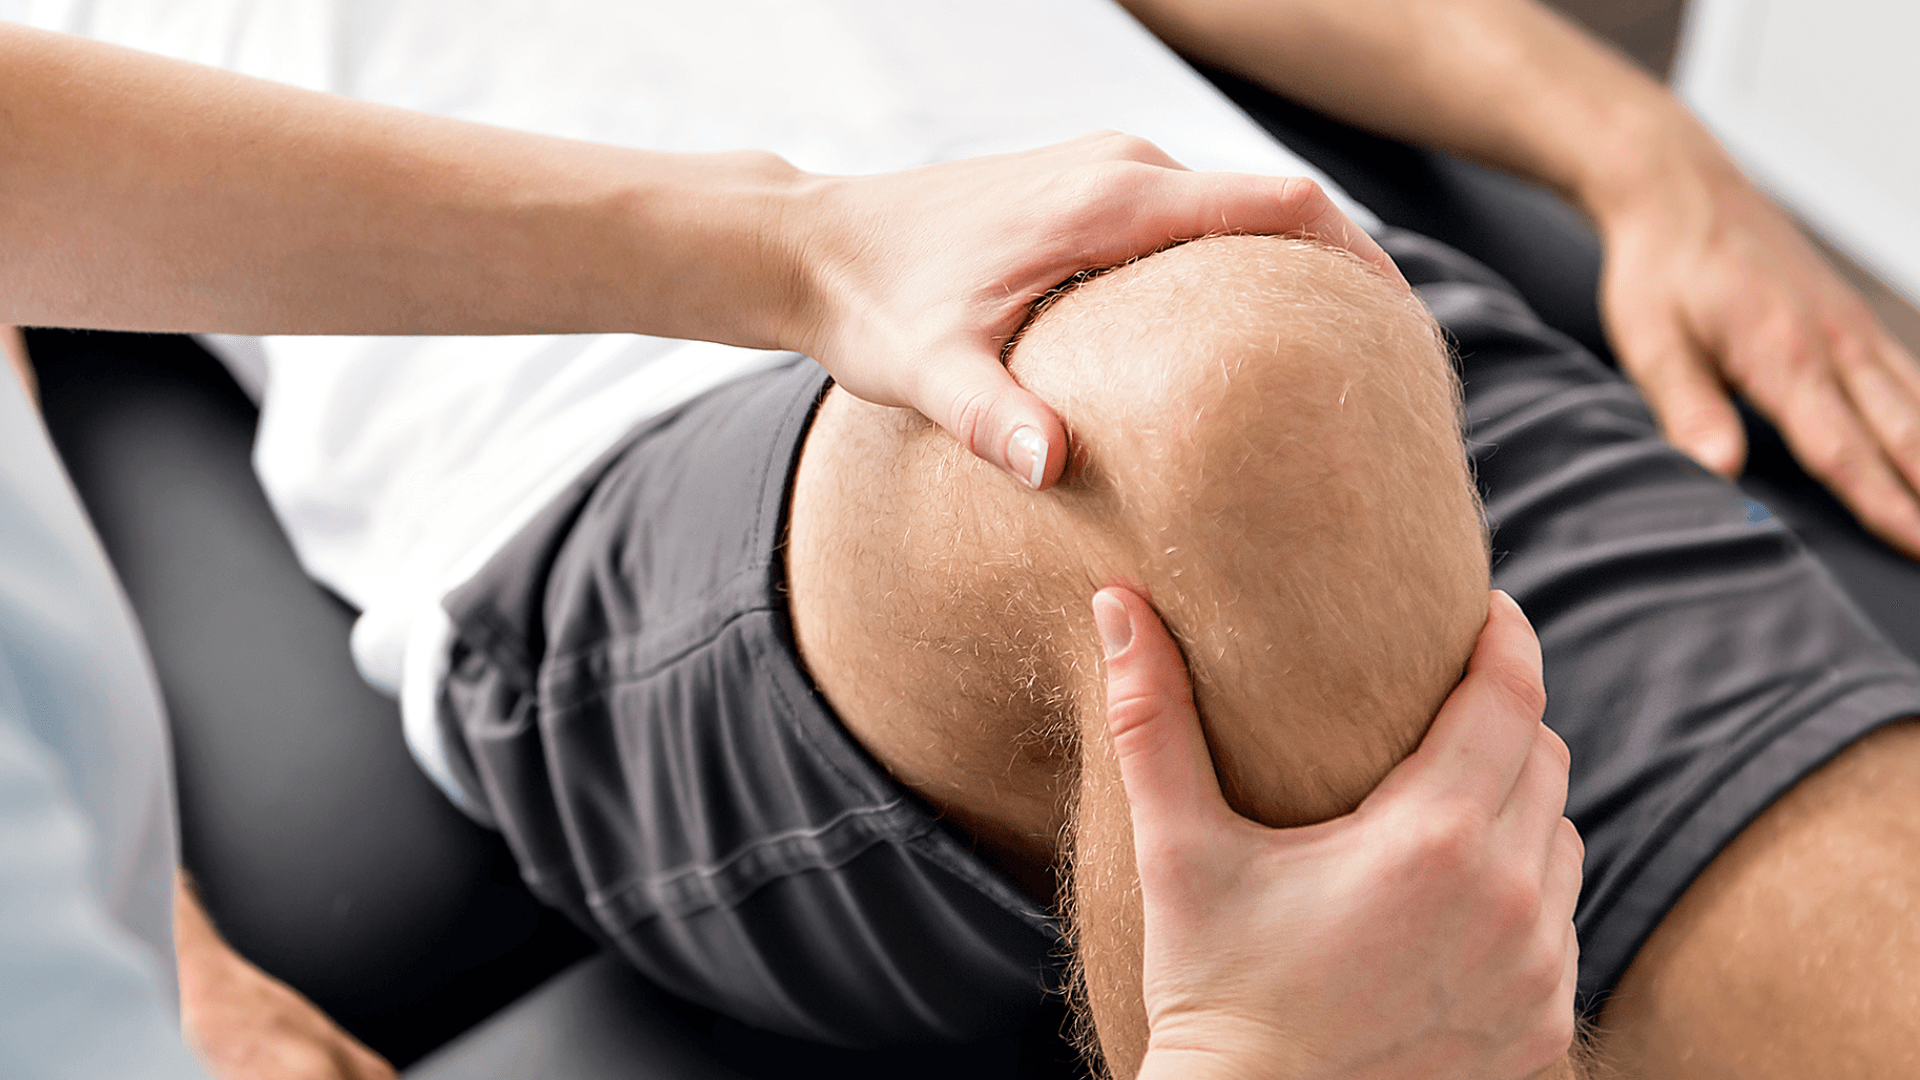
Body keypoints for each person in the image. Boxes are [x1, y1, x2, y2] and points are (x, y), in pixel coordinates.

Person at [17, 0, 1920, 1077]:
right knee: (1218, 385)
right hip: (653, 453)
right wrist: (150, 945)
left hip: (1329, 305)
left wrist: (1642, 150)